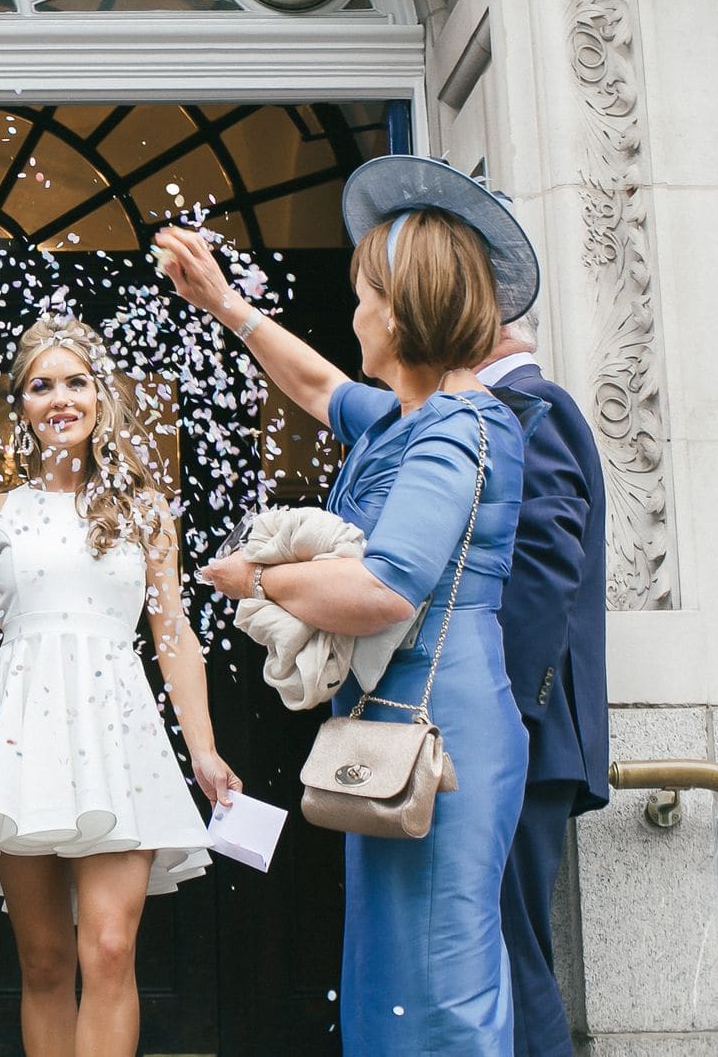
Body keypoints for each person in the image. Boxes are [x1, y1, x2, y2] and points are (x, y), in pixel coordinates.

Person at [157, 154, 538, 1054]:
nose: (355, 311)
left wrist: (255, 579)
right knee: (390, 978)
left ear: (402, 308)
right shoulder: (407, 417)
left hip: (441, 731)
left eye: (364, 294)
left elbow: (380, 589)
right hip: (391, 723)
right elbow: (319, 386)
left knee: (440, 987)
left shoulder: (460, 426)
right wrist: (224, 305)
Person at [0, 314, 239, 1057]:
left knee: (108, 948)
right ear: (21, 406)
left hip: (115, 733)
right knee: (43, 960)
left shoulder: (144, 508)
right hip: (21, 735)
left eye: (75, 382)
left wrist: (205, 749)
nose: (59, 398)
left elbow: (173, 635)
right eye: (41, 385)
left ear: (101, 398)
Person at [477, 311, 610, 1057]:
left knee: (513, 949)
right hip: (519, 730)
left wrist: (502, 709)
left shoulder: (537, 406)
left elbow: (545, 564)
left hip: (525, 730)